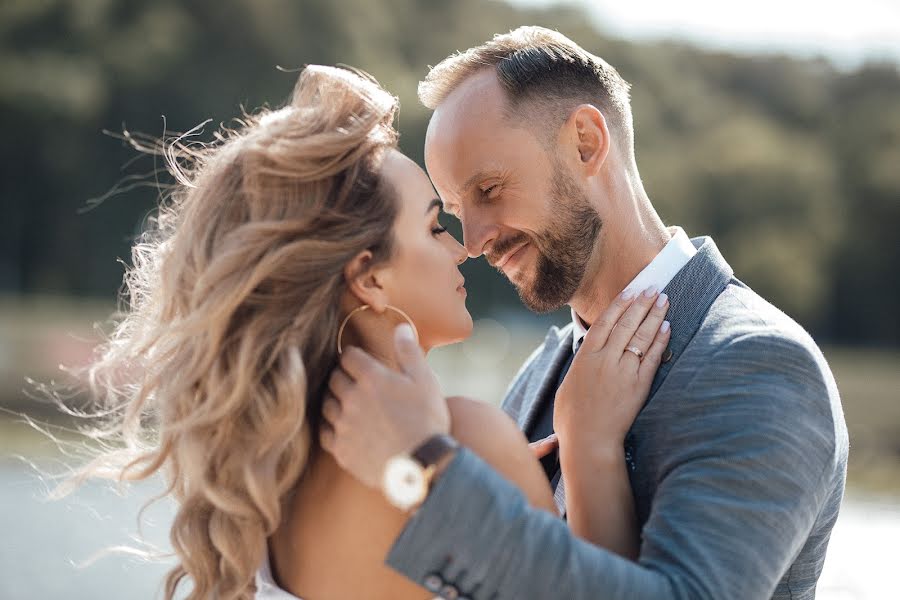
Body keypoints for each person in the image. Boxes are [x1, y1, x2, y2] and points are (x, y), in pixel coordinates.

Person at [68, 65, 670, 600]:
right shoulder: (463, 442)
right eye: (436, 226)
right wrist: (589, 446)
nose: (464, 249)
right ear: (370, 279)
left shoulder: (270, 489)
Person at [321, 27, 849, 600]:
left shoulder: (759, 364)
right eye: (452, 212)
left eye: (490, 189)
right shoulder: (538, 375)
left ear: (585, 143)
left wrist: (424, 471)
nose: (472, 242)